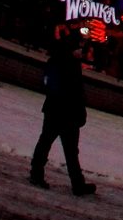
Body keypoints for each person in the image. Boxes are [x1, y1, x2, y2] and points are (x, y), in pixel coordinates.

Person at [29, 23, 98, 195]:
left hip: (56, 109)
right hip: (65, 112)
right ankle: (76, 184)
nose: (82, 50)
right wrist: (79, 111)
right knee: (67, 149)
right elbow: (74, 91)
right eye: (80, 46)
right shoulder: (68, 62)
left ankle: (38, 174)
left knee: (49, 143)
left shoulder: (61, 58)